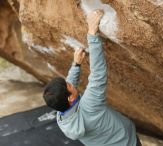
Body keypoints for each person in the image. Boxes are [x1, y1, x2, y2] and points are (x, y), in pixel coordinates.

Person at [43, 9, 142, 146]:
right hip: (128, 142)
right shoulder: (89, 107)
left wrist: (76, 64)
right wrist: (92, 34)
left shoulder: (62, 117)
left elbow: (68, 87)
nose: (70, 83)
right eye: (69, 86)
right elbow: (98, 74)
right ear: (70, 98)